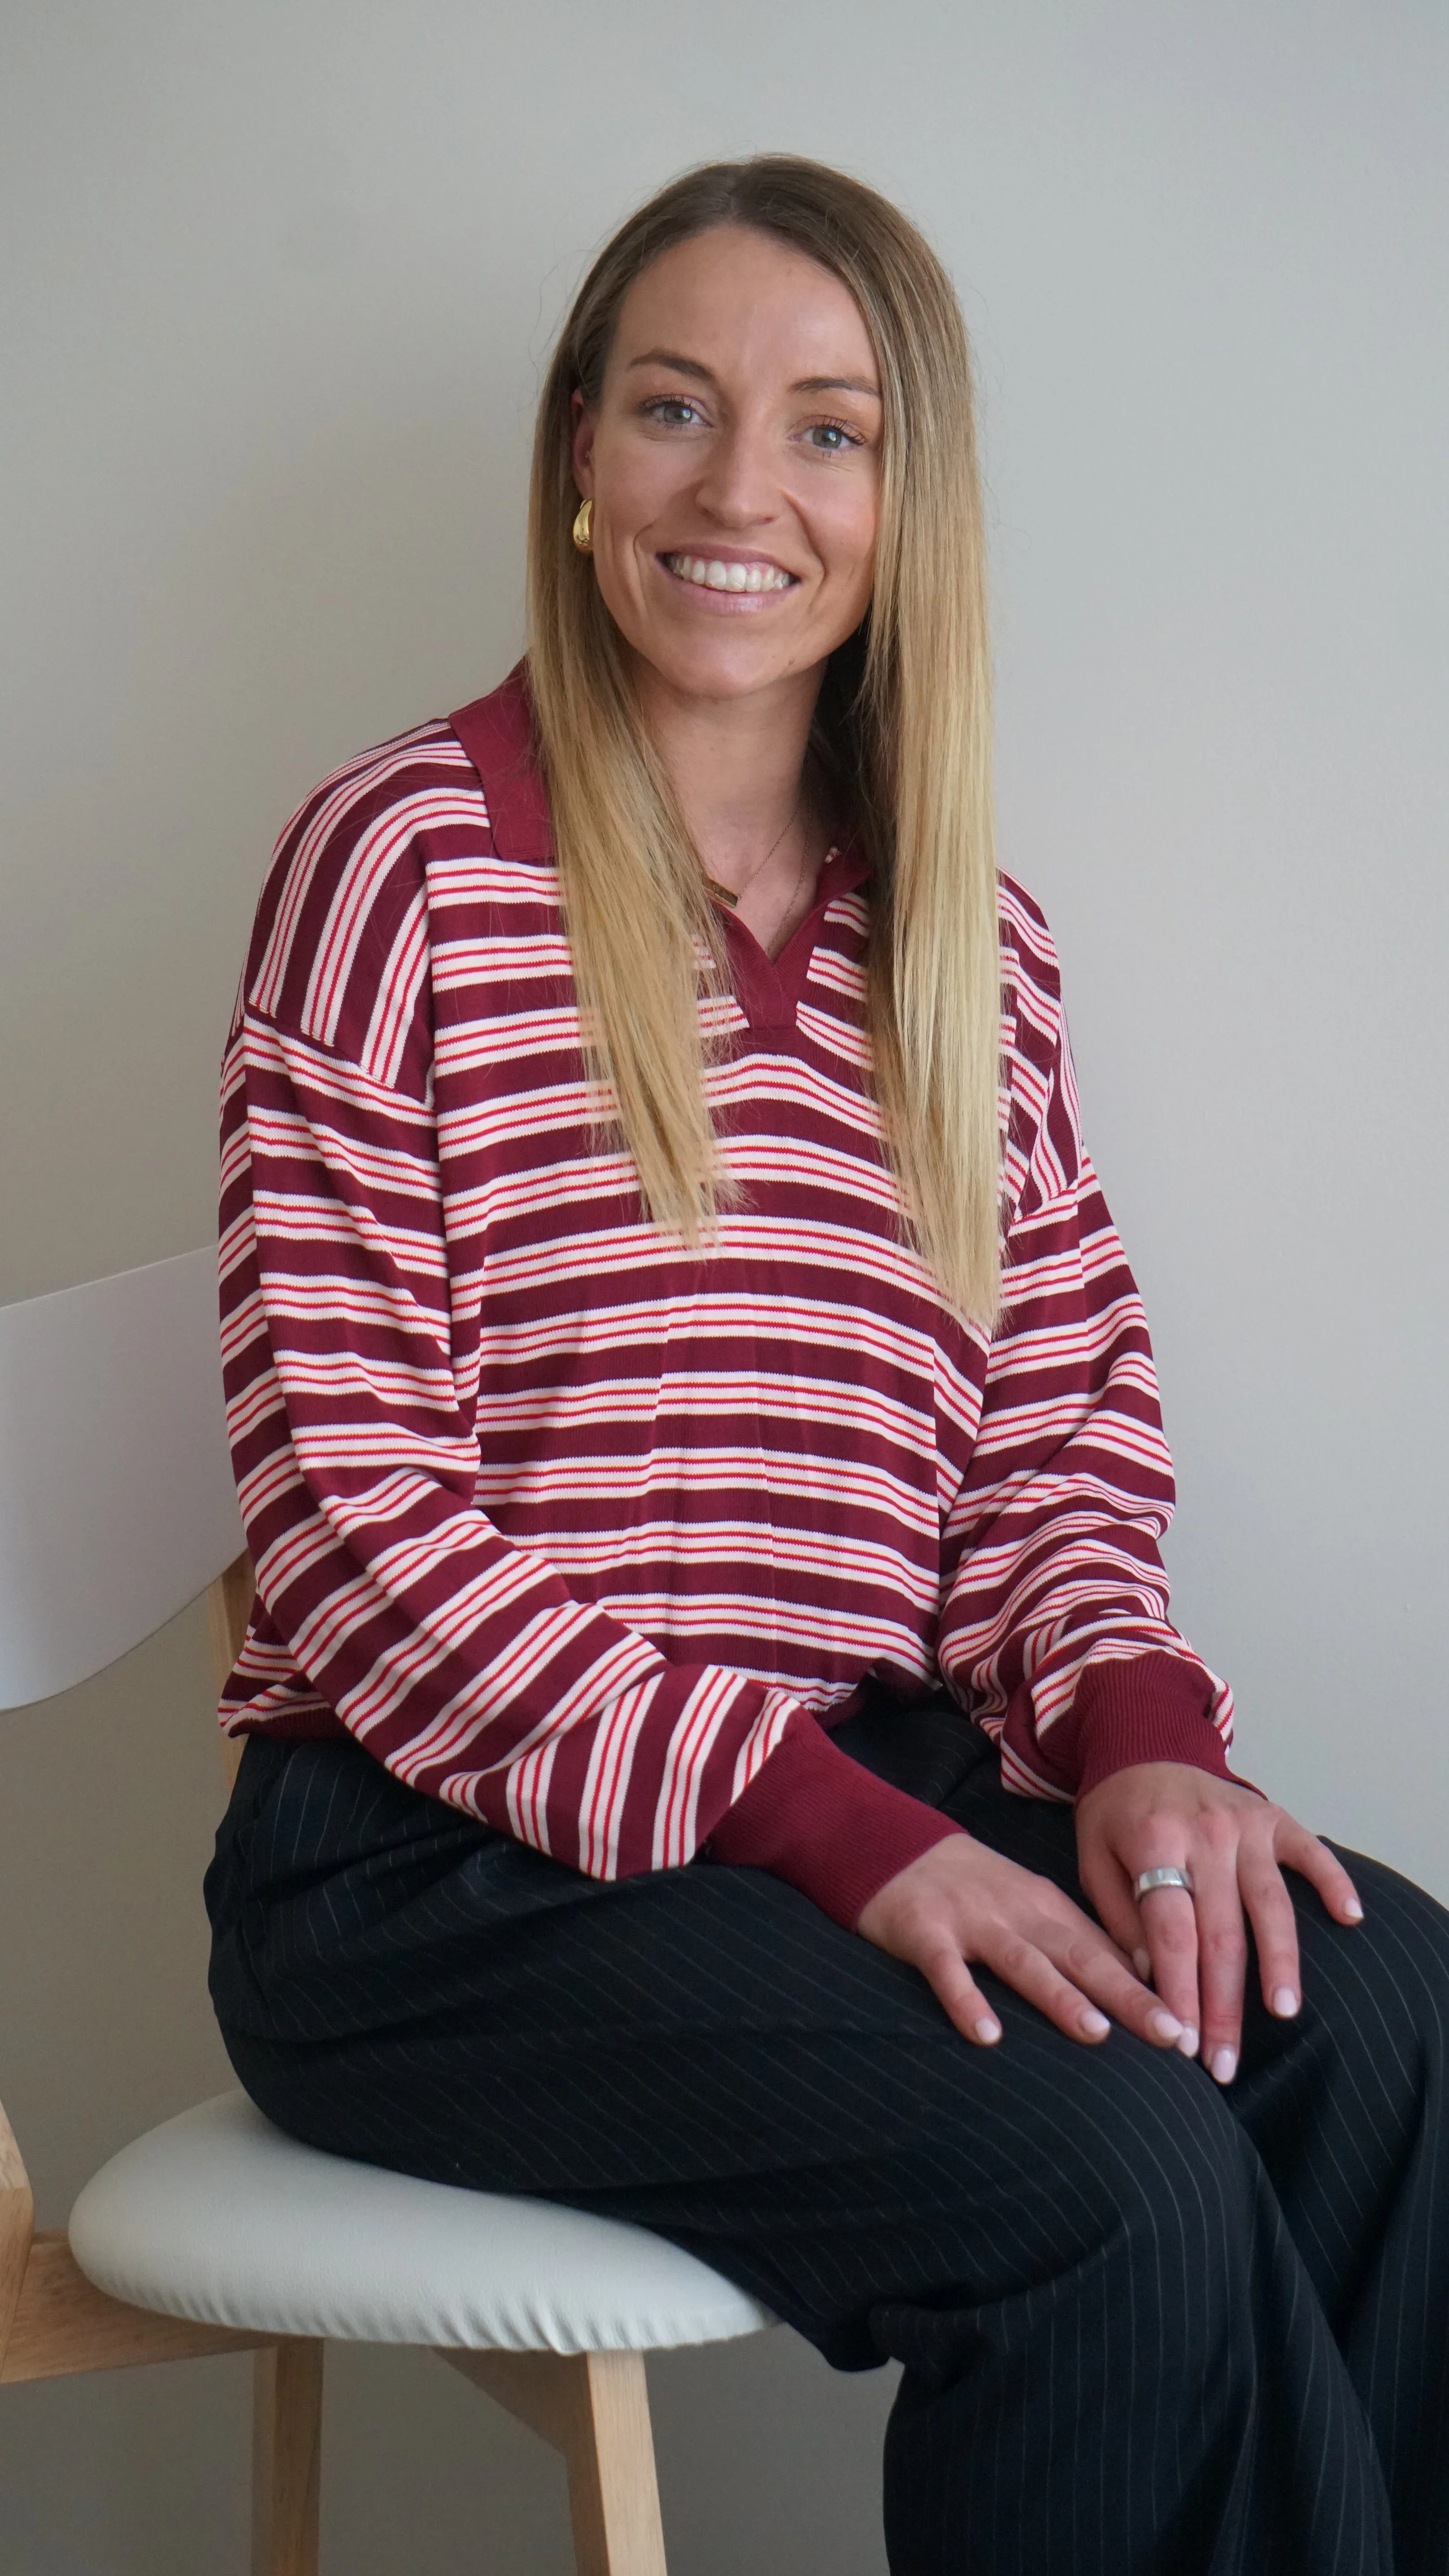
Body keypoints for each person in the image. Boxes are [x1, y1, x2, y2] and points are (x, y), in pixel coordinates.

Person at [205, 155, 1448, 2575]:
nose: (739, 489)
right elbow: (351, 1526)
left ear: (908, 497)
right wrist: (853, 1843)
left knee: (1385, 2022)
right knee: (1119, 2181)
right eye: (673, 407)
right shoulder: (401, 867)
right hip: (438, 1879)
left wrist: (1139, 1753)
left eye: (828, 428)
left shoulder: (967, 940)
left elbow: (1050, 1442)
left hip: (829, 1816)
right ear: (578, 457)